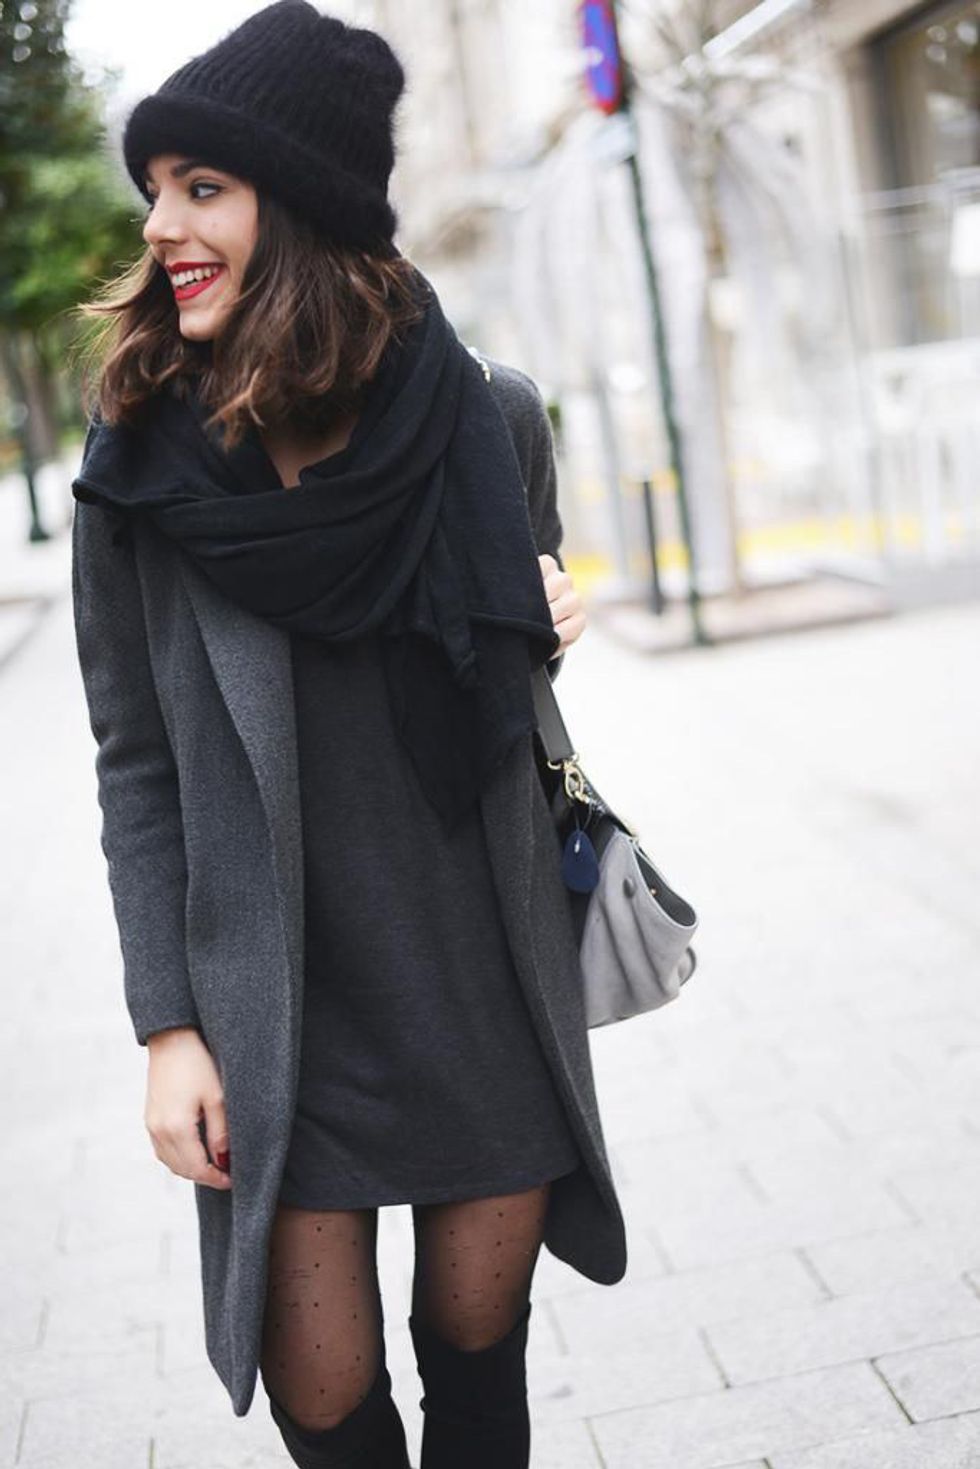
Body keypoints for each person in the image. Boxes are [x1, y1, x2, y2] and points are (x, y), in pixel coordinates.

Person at [69, 3, 627, 1466]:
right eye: (156, 191)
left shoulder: (487, 418)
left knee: (480, 1374)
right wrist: (167, 1026)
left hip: (479, 979)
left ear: (305, 203)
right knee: (327, 1409)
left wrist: (543, 621)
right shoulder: (140, 470)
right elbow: (135, 765)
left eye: (203, 187)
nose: (162, 228)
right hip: (281, 1011)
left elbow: (502, 678)